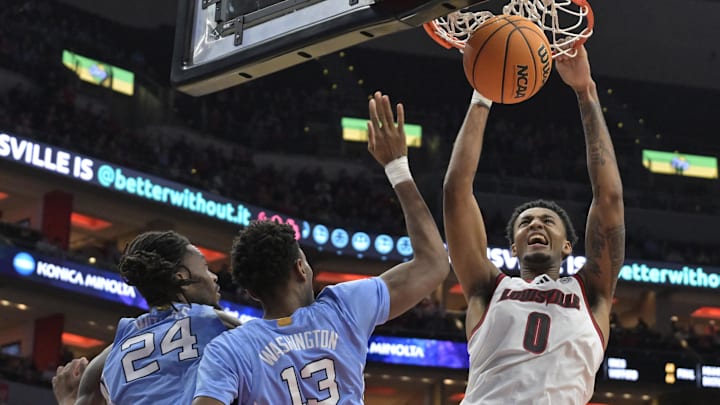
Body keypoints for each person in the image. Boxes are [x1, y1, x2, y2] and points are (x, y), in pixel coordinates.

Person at [191, 91, 450, 405]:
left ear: (253, 292)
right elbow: (435, 263)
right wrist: (397, 168)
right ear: (300, 268)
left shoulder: (230, 348)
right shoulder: (342, 307)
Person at [443, 45, 624, 404]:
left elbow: (609, 200)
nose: (535, 224)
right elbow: (456, 192)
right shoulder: (487, 289)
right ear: (514, 247)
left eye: (547, 220)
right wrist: (484, 91)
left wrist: (585, 90)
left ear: (567, 245)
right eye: (525, 222)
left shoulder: (592, 293)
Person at [53, 231, 241, 405]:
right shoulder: (214, 322)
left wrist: (68, 402)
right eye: (206, 267)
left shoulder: (105, 359)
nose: (214, 277)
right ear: (181, 277)